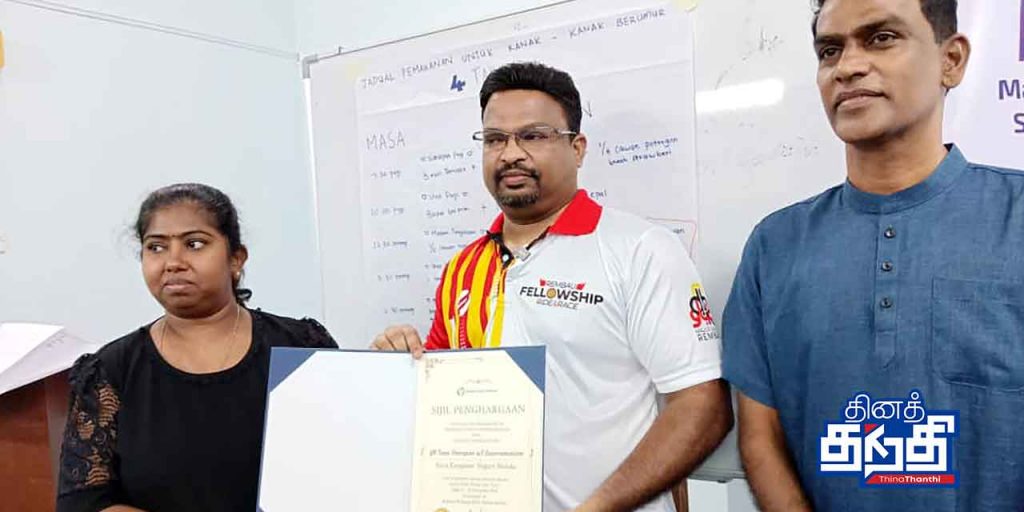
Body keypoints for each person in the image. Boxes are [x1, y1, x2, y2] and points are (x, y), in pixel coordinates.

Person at [372, 62, 732, 512]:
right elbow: (441, 408)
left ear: (577, 149)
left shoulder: (639, 250)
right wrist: (400, 367)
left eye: (533, 136)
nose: (510, 154)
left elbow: (702, 407)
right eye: (495, 139)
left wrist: (595, 508)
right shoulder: (463, 268)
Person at [723, 0, 1024, 510]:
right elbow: (760, 435)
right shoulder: (775, 246)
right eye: (829, 50)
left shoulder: (1014, 219)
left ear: (951, 60)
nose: (847, 67)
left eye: (881, 38)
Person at [56, 183, 338, 512]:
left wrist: (387, 368)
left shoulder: (301, 347)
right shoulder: (111, 371)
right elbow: (83, 502)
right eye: (156, 247)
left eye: (194, 244)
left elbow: (351, 457)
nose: (173, 262)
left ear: (236, 258)